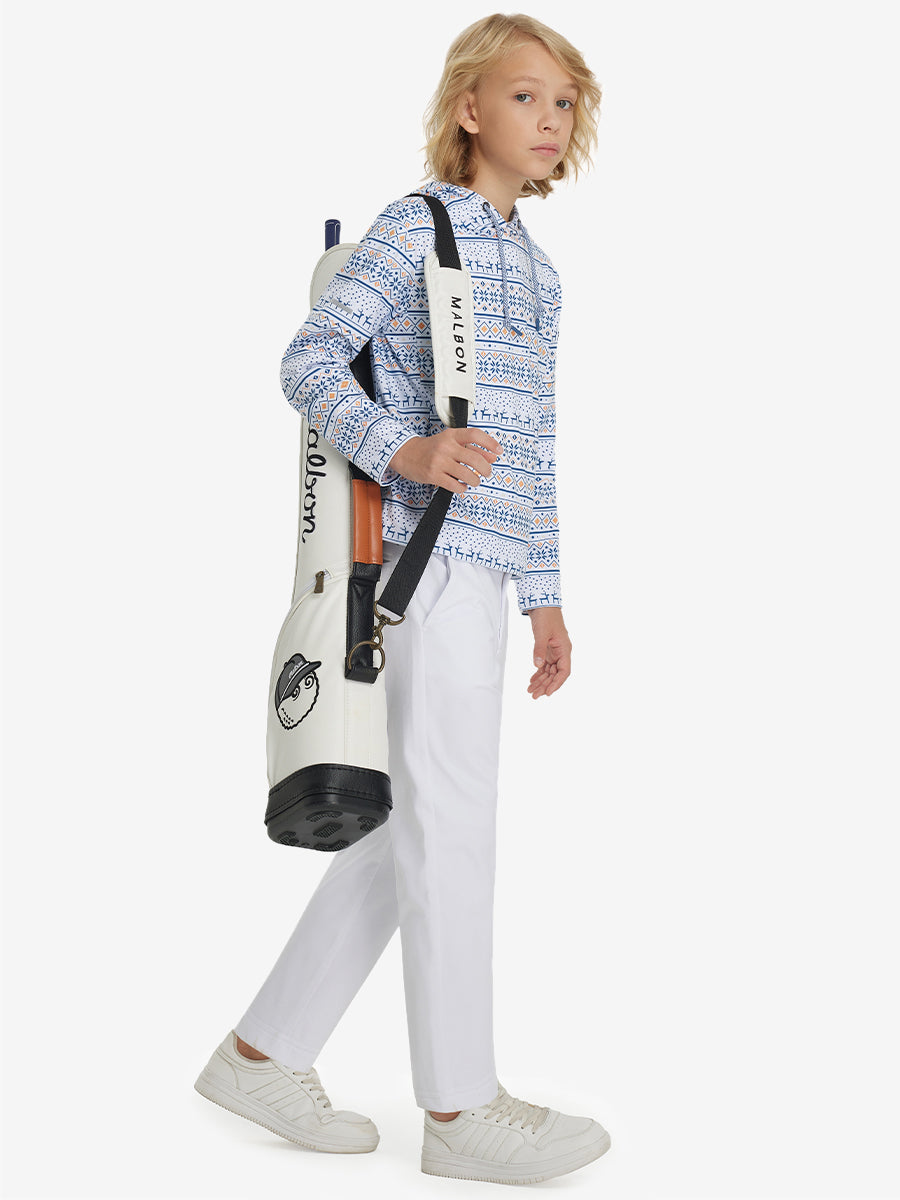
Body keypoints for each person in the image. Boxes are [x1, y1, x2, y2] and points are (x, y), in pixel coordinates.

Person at [195, 12, 608, 1186]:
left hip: (489, 572)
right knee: (453, 826)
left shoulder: (539, 271)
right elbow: (307, 360)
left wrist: (547, 595)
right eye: (525, 96)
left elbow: (534, 449)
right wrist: (406, 451)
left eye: (564, 103)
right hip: (423, 567)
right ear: (470, 109)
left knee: (414, 824)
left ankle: (261, 1053)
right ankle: (461, 1109)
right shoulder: (413, 226)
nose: (549, 119)